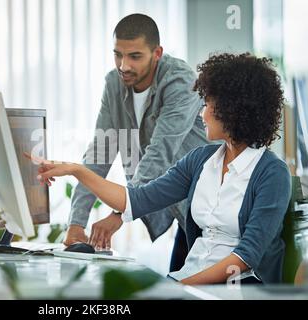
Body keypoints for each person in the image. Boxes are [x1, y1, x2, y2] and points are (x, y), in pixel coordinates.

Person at [28, 53, 291, 284]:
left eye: (208, 104)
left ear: (233, 109)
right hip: (190, 281)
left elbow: (245, 258)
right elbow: (136, 199)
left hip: (237, 289)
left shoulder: (271, 173)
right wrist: (76, 170)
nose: (202, 113)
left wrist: (180, 285)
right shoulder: (200, 160)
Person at [65, 13, 208, 268]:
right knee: (178, 287)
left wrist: (120, 213)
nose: (124, 66)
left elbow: (159, 153)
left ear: (157, 53)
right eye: (118, 54)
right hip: (182, 213)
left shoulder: (180, 82)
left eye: (134, 56)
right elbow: (100, 152)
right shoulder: (114, 84)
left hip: (210, 211)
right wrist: (76, 224)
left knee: (187, 289)